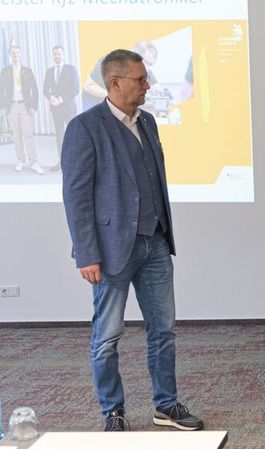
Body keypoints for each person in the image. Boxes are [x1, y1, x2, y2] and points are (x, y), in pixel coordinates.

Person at [61, 49, 202, 432]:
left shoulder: (150, 122)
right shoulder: (85, 127)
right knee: (107, 336)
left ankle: (166, 405)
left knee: (164, 329)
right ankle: (113, 411)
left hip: (154, 244)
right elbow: (76, 197)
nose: (147, 85)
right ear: (115, 82)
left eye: (146, 78)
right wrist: (86, 253)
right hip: (109, 252)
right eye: (141, 79)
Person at [0, 45, 42, 174]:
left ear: (21, 54)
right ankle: (20, 160)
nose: (15, 55)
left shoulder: (27, 71)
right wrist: (2, 107)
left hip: (25, 106)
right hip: (11, 107)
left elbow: (35, 90)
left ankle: (34, 162)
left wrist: (34, 107)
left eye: (17, 53)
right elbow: (1, 90)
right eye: (13, 53)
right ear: (10, 56)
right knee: (17, 135)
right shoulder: (5, 71)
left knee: (28, 135)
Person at [42, 45, 80, 171]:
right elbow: (45, 90)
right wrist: (51, 96)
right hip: (56, 109)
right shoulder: (49, 71)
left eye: (58, 54)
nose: (57, 56)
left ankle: (75, 163)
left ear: (63, 55)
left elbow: (75, 89)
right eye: (55, 54)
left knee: (73, 136)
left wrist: (61, 99)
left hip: (69, 108)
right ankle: (62, 162)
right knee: (59, 136)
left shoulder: (71, 69)